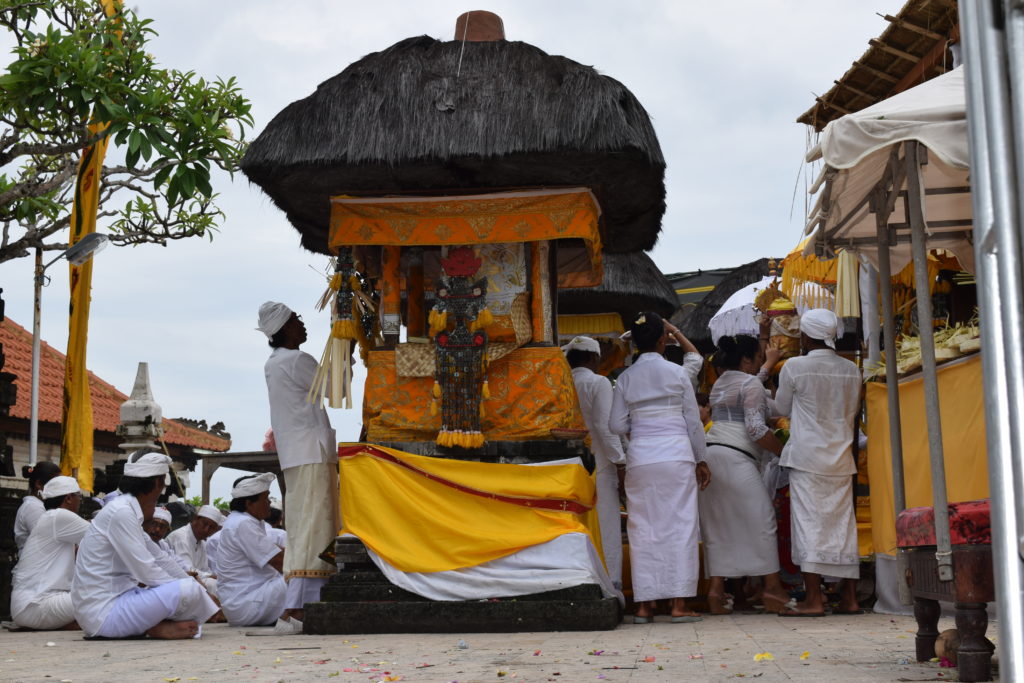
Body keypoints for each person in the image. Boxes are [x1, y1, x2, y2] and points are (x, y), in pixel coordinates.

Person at [610, 312, 711, 623]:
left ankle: (644, 605)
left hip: (641, 457)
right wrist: (701, 458)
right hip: (676, 455)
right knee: (680, 526)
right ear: (661, 340)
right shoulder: (677, 373)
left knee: (643, 529)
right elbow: (694, 422)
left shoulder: (625, 378)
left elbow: (615, 424)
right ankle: (679, 604)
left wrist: (639, 426)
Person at [71, 451, 218, 639]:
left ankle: (153, 626)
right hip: (103, 613)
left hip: (118, 602)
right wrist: (192, 593)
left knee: (190, 589)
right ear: (158, 482)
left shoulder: (127, 510)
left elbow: (162, 559)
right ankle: (154, 627)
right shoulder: (121, 512)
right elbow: (146, 571)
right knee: (188, 591)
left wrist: (196, 591)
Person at [774, 309, 863, 617]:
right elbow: (852, 413)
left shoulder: (795, 367)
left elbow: (781, 408)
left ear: (805, 335)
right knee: (842, 527)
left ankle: (814, 600)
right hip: (841, 457)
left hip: (807, 457)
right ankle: (850, 599)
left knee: (809, 526)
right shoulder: (851, 370)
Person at [257, 301, 339, 623]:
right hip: (310, 453)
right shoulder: (295, 360)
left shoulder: (274, 362)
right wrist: (344, 346)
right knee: (315, 525)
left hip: (298, 453)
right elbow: (335, 389)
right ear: (283, 329)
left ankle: (303, 602)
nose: (302, 324)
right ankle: (298, 606)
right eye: (296, 320)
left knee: (306, 524)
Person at [698, 335, 791, 615]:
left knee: (719, 527)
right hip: (737, 457)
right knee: (763, 521)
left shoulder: (721, 383)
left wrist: (768, 363)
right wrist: (783, 452)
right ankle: (773, 589)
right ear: (747, 360)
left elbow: (755, 389)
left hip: (712, 454)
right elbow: (755, 429)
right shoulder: (749, 383)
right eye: (759, 358)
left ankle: (716, 593)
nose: (761, 363)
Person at [562, 335, 627, 588]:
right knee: (607, 525)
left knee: (579, 524)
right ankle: (611, 582)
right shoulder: (598, 382)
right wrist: (620, 462)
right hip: (600, 465)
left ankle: (582, 578)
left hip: (571, 466)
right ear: (592, 358)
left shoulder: (562, 383)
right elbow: (604, 426)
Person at [11, 476, 89, 630]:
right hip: (36, 604)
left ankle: (71, 623)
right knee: (104, 594)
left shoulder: (50, 518)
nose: (80, 501)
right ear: (68, 498)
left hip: (30, 606)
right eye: (79, 496)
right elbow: (103, 535)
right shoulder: (59, 516)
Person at [216, 473, 289, 629]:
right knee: (302, 574)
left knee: (302, 572)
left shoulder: (245, 521)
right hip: (247, 603)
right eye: (266, 498)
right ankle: (293, 615)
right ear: (249, 503)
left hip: (249, 600)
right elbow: (282, 562)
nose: (269, 503)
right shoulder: (243, 523)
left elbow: (278, 553)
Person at [166, 505, 224, 596]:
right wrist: (209, 576)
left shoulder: (202, 543)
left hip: (195, 579)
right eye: (204, 524)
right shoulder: (180, 537)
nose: (206, 530)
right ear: (195, 519)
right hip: (176, 580)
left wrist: (211, 576)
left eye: (211, 527)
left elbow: (205, 569)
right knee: (213, 584)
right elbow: (187, 569)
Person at [14, 461, 62, 551]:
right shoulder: (33, 507)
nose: (59, 490)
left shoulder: (38, 505)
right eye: (55, 485)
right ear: (39, 484)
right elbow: (48, 542)